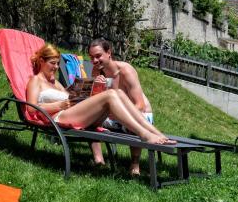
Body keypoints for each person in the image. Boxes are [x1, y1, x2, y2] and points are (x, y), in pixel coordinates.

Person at [26, 44, 175, 170]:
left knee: (117, 93)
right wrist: (58, 105)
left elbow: (69, 96)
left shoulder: (55, 83)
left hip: (71, 112)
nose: (56, 67)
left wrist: (81, 88)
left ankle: (154, 132)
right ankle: (144, 135)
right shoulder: (35, 81)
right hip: (58, 117)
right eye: (53, 63)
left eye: (58, 63)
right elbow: (32, 109)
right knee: (110, 94)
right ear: (41, 61)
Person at [88, 38, 163, 175]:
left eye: (98, 56)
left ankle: (135, 164)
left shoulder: (125, 71)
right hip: (114, 116)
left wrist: (119, 114)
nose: (94, 61)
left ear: (108, 52)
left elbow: (139, 104)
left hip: (140, 115)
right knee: (89, 120)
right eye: (92, 57)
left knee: (133, 125)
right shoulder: (96, 72)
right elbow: (94, 102)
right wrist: (97, 86)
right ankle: (99, 160)